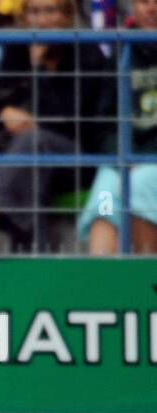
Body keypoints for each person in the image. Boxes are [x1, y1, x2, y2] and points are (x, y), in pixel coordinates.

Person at [0, 0, 111, 255]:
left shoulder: (87, 53)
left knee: (32, 143)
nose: (41, 19)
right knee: (27, 164)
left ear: (67, 16)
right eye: (34, 11)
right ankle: (33, 267)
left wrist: (38, 69)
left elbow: (73, 121)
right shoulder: (18, 49)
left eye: (50, 11)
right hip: (24, 158)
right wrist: (6, 112)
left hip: (75, 155)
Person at [79, 0, 157, 254]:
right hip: (127, 158)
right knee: (105, 194)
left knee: (140, 186)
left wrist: (140, 158)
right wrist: (123, 154)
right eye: (144, 1)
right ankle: (101, 285)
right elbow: (104, 122)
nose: (152, 8)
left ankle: (145, 282)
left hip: (150, 163)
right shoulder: (122, 50)